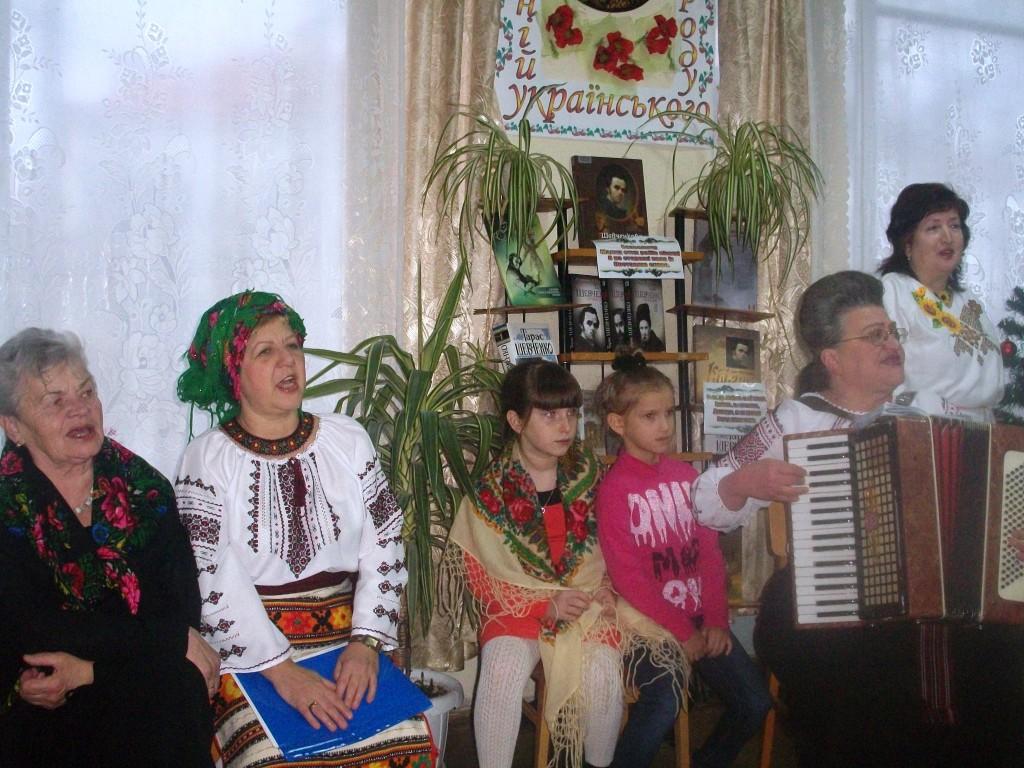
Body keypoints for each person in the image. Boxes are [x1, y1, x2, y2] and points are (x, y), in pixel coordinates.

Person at [691, 271, 1024, 767]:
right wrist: (746, 481)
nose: (892, 344)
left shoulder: (932, 411)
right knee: (856, 670)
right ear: (831, 359)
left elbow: (993, 496)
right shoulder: (796, 421)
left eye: (891, 332)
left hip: (938, 606)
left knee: (1003, 654)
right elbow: (704, 501)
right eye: (874, 336)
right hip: (838, 602)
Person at [174, 292, 432, 768]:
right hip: (251, 651)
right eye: (265, 351)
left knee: (404, 747)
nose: (287, 361)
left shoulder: (347, 439)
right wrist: (283, 673)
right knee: (273, 759)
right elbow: (212, 580)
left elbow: (385, 542)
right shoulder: (206, 459)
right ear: (233, 373)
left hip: (348, 634)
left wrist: (365, 643)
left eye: (293, 345)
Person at [0, 328, 218, 767]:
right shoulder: (8, 508)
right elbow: (31, 629)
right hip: (44, 696)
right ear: (15, 427)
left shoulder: (144, 490)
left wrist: (90, 671)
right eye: (55, 401)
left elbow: (179, 608)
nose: (79, 409)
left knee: (176, 684)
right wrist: (164, 640)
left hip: (136, 681)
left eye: (86, 392)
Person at [442, 360, 627, 768]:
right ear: (516, 421)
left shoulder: (591, 474)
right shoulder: (492, 489)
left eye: (571, 413)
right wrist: (543, 605)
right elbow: (479, 573)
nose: (565, 426)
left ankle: (598, 764)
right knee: (503, 669)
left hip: (587, 604)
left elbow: (616, 543)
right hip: (518, 611)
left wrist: (605, 590)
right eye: (549, 414)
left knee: (603, 673)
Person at [596, 352, 771, 768]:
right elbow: (628, 578)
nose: (665, 426)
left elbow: (709, 554)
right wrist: (681, 630)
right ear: (618, 423)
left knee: (755, 702)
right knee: (665, 701)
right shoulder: (614, 490)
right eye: (650, 416)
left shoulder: (688, 478)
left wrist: (716, 620)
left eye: (669, 414)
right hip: (648, 624)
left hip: (700, 619)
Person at [879, 182, 1006, 421]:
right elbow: (883, 374)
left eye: (954, 226)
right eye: (933, 228)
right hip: (921, 427)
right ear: (908, 242)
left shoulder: (968, 300)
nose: (947, 237)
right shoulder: (892, 292)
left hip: (981, 428)